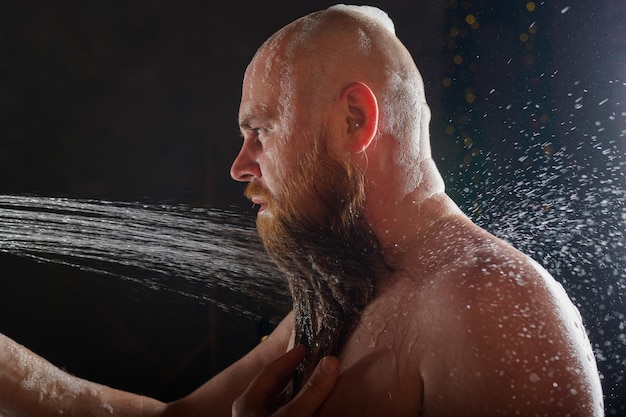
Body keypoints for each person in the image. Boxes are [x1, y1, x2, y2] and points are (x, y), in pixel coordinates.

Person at [0, 4, 604, 416]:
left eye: (261, 129)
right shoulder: (350, 296)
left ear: (355, 120)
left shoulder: (489, 305)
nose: (240, 165)